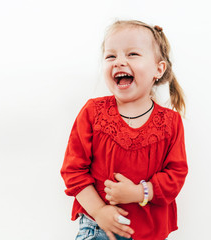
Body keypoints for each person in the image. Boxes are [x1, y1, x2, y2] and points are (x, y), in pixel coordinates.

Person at [60, 20, 188, 240]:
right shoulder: (93, 112)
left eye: (132, 54)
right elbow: (73, 171)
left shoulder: (170, 122)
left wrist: (140, 192)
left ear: (159, 69)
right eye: (111, 56)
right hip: (99, 230)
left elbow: (176, 175)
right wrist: (100, 211)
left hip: (150, 233)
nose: (119, 62)